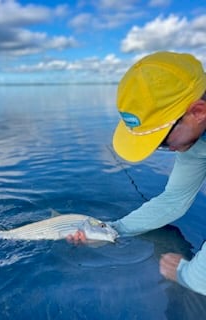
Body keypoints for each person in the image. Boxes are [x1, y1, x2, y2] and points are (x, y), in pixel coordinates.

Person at [68, 51, 206, 296]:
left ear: (197, 112)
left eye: (161, 140)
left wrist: (189, 275)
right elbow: (174, 199)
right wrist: (113, 229)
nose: (164, 149)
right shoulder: (196, 140)